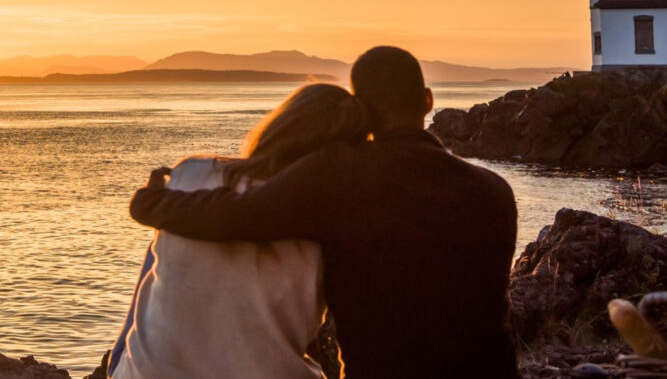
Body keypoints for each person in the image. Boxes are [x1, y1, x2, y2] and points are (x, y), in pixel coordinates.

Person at [130, 46, 520, 378]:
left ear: (360, 111)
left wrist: (153, 204)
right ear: (428, 101)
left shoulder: (342, 173)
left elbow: (236, 215)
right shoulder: (494, 191)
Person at [109, 83, 369, 379]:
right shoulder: (328, 215)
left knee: (160, 252)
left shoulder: (190, 172)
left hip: (146, 374)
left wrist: (153, 198)